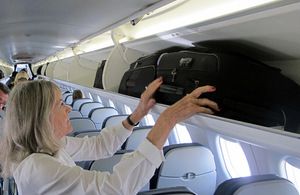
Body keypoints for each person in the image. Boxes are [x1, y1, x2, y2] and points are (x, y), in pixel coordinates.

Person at [0, 77, 220, 194]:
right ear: (41, 117)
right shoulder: (36, 167)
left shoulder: (52, 145)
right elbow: (114, 188)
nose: (68, 109)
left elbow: (99, 146)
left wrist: (138, 114)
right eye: (60, 104)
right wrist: (166, 121)